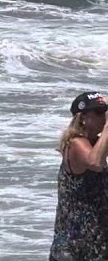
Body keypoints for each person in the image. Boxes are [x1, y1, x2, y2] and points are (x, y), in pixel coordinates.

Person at [49, 92, 108, 260]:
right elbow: (95, 162)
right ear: (82, 118)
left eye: (104, 112)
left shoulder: (96, 143)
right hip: (74, 246)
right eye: (98, 113)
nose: (103, 117)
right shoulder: (75, 144)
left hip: (96, 244)